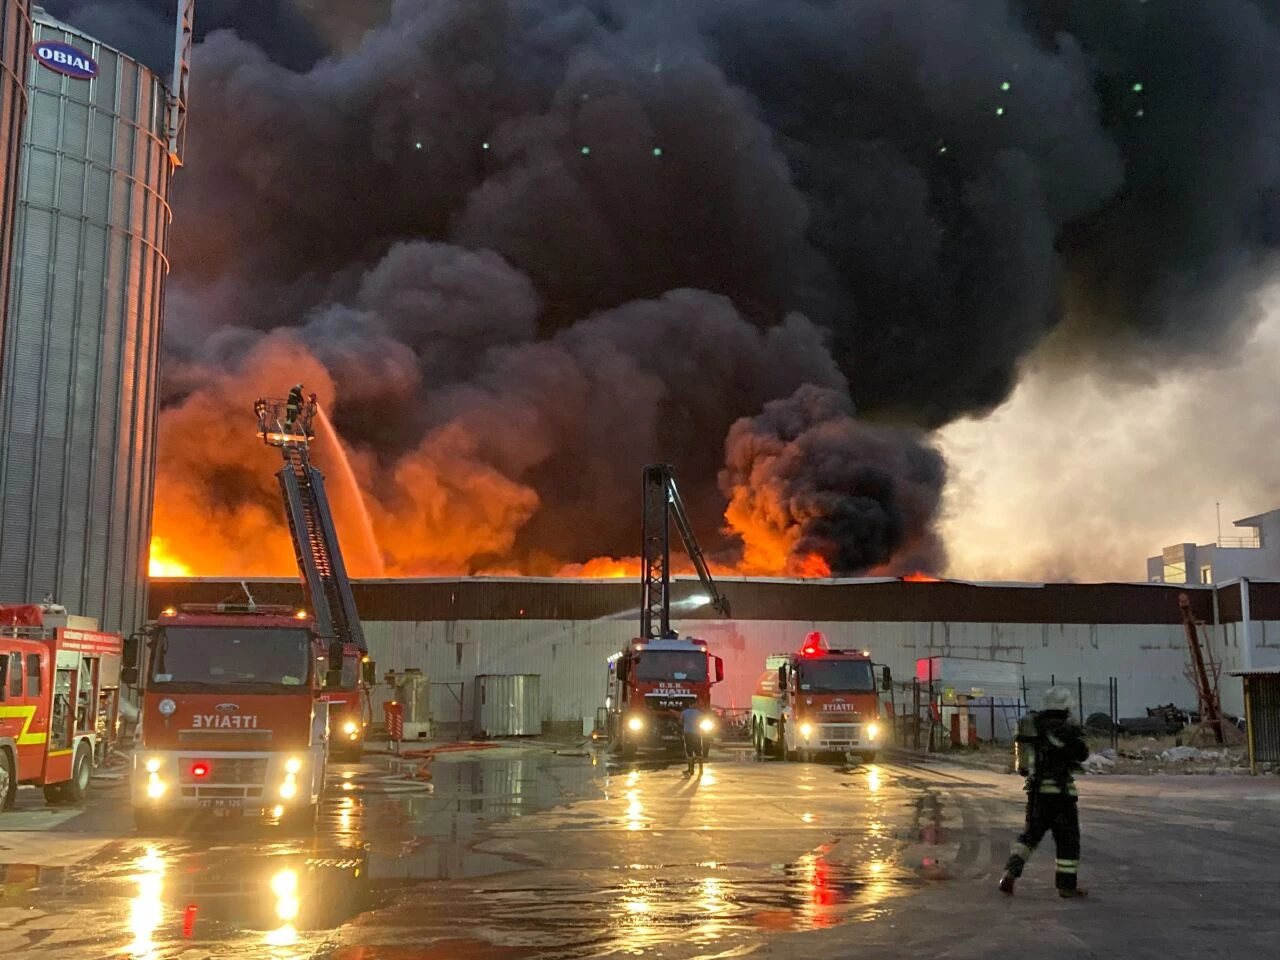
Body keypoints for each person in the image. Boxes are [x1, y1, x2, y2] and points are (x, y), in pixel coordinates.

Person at [1000, 686, 1090, 898]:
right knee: (1068, 841)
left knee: (1029, 837)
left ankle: (1009, 873)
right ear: (1066, 707)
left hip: (1037, 794)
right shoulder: (1066, 729)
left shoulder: (1033, 727)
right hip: (1062, 795)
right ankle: (1066, 886)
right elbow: (1082, 754)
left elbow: (1022, 767)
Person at [681, 704, 706, 775]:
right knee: (698, 751)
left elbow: (680, 721)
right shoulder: (699, 712)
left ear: (689, 705)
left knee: (689, 752)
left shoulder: (684, 712)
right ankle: (701, 769)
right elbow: (704, 719)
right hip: (697, 734)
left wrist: (686, 723)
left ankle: (690, 769)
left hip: (688, 734)